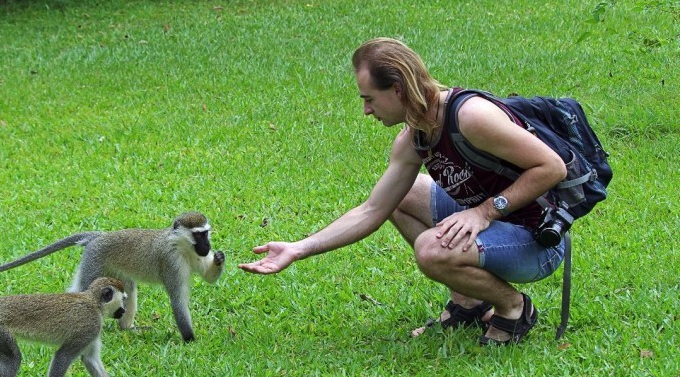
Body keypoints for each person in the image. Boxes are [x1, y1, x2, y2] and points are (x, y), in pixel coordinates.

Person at [239, 37, 568, 345]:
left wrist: (484, 212)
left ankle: (513, 308)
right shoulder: (416, 136)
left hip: (537, 240)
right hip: (498, 224)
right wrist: (299, 248)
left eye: (369, 99)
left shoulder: (470, 117)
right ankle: (469, 302)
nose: (366, 110)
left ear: (397, 90)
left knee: (431, 250)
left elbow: (552, 167)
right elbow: (373, 209)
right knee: (403, 196)